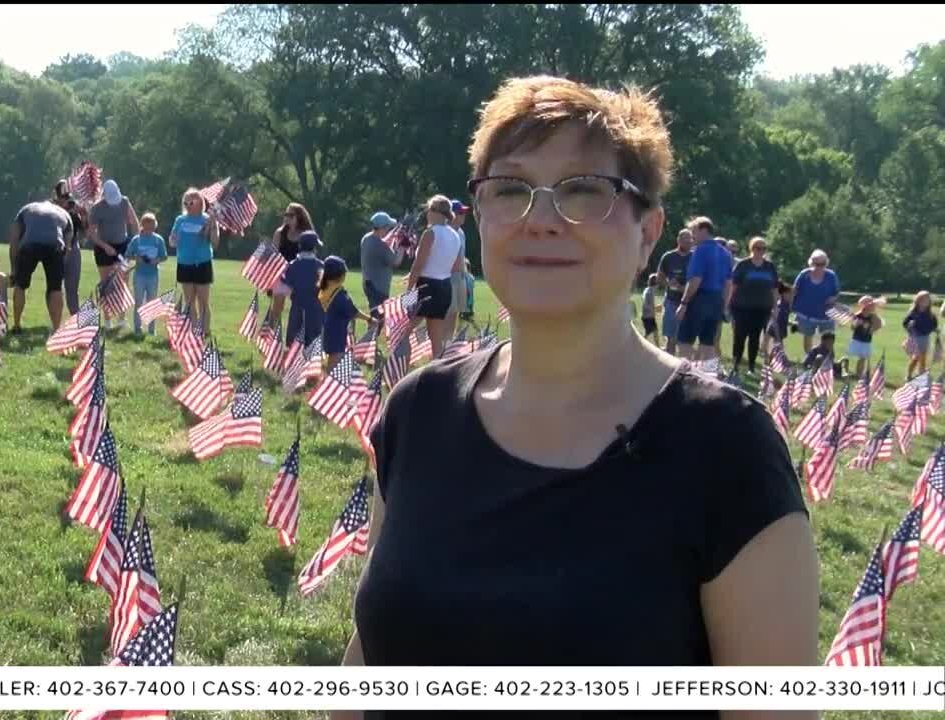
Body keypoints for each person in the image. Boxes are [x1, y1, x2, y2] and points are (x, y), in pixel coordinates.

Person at [338, 77, 817, 705]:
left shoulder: (727, 450)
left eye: (586, 190)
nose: (540, 219)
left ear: (649, 232)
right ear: (479, 217)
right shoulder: (418, 411)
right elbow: (370, 656)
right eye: (510, 189)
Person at [405, 195, 464, 359]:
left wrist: (408, 293)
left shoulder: (430, 233)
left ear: (435, 212)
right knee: (436, 339)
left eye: (429, 210)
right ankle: (438, 370)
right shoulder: (455, 235)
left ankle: (398, 371)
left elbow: (418, 265)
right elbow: (457, 266)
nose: (427, 214)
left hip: (426, 287)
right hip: (444, 287)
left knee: (403, 331)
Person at [10, 194, 73, 332]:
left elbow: (14, 240)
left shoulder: (25, 210)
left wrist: (14, 269)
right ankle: (56, 329)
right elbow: (68, 247)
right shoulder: (65, 214)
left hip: (29, 245)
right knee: (55, 288)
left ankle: (16, 325)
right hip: (55, 245)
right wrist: (60, 270)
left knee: (20, 285)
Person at [675, 216, 731, 363]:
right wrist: (723, 307)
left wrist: (684, 303)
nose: (691, 236)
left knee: (684, 342)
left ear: (703, 229)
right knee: (707, 344)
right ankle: (705, 378)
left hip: (700, 299)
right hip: (717, 302)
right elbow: (728, 284)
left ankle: (683, 377)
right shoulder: (726, 253)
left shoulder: (700, 250)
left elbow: (695, 280)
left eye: (693, 231)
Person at [168, 188, 219, 335]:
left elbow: (215, 243)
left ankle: (204, 330)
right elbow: (172, 239)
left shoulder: (207, 219)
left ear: (200, 203)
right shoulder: (180, 220)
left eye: (191, 202)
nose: (187, 205)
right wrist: (173, 240)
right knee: (189, 301)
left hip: (202, 263)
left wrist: (213, 227)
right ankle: (194, 331)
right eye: (185, 202)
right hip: (184, 263)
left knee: (203, 301)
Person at [89, 180, 139, 325]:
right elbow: (91, 233)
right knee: (106, 284)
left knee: (122, 282)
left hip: (122, 246)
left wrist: (135, 243)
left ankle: (122, 319)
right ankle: (108, 319)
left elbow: (134, 223)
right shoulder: (97, 208)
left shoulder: (124, 202)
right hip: (103, 248)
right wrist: (104, 246)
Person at [729, 236, 779, 374]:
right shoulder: (743, 265)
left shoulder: (770, 267)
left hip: (762, 308)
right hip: (742, 307)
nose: (761, 251)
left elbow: (774, 288)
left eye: (763, 248)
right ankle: (736, 365)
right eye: (758, 248)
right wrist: (728, 303)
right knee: (739, 337)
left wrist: (775, 306)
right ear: (751, 249)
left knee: (755, 338)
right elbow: (733, 286)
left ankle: (751, 366)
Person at [320, 255, 373, 371]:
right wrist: (369, 319)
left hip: (327, 330)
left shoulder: (325, 289)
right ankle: (330, 383)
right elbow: (353, 311)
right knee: (336, 360)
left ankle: (329, 379)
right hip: (336, 333)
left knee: (333, 358)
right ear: (340, 276)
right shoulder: (339, 295)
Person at [277, 231, 324, 346]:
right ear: (314, 248)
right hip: (316, 312)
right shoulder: (321, 266)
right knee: (314, 347)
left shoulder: (292, 266)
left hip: (297, 311)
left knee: (294, 346)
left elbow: (282, 291)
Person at [125, 213, 168, 335]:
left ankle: (151, 329)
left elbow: (164, 256)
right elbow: (128, 254)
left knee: (152, 302)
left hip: (153, 275)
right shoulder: (136, 240)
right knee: (138, 301)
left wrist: (157, 260)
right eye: (147, 227)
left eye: (152, 227)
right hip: (139, 275)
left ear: (155, 226)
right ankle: (137, 328)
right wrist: (136, 258)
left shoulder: (158, 240)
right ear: (142, 225)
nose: (149, 230)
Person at [791, 249, 840, 355]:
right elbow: (794, 290)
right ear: (811, 263)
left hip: (826, 314)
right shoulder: (804, 274)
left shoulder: (831, 276)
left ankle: (827, 362)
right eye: (817, 264)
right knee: (808, 337)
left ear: (826, 263)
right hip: (806, 314)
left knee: (828, 340)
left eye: (822, 264)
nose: (819, 267)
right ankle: (810, 358)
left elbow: (836, 293)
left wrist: (833, 298)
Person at [654, 228, 693, 354]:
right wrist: (668, 284)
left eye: (689, 240)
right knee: (670, 336)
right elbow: (660, 276)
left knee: (684, 339)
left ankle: (683, 368)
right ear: (678, 240)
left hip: (690, 303)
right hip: (671, 301)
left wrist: (685, 288)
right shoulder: (668, 256)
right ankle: (670, 366)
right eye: (685, 240)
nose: (687, 243)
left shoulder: (695, 257)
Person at [359, 211, 405, 312]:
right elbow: (396, 262)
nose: (389, 230)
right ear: (383, 227)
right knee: (378, 319)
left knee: (375, 316)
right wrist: (403, 246)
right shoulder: (380, 245)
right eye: (388, 227)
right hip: (378, 288)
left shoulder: (366, 238)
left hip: (368, 283)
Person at [446, 199, 471, 333]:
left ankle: (451, 341)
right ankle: (444, 340)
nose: (463, 215)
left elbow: (462, 255)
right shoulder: (446, 232)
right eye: (460, 212)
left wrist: (466, 276)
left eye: (464, 212)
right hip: (448, 276)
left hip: (460, 276)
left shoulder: (461, 232)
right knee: (448, 311)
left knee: (457, 312)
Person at [903, 291, 938, 380]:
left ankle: (921, 375)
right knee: (916, 358)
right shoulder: (913, 313)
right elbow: (905, 323)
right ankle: (909, 375)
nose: (925, 302)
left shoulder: (930, 314)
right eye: (923, 300)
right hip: (915, 338)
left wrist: (934, 329)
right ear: (918, 301)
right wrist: (909, 325)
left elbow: (934, 324)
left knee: (923, 358)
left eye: (927, 300)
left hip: (925, 338)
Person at [848, 295, 884, 379]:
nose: (873, 307)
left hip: (866, 340)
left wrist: (872, 329)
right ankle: (858, 373)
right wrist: (856, 324)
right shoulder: (858, 315)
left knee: (863, 357)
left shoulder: (873, 316)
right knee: (861, 357)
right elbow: (852, 327)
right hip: (857, 339)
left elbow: (879, 324)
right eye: (870, 306)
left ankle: (859, 373)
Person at [764, 282, 792, 360]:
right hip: (775, 327)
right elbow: (774, 318)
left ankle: (775, 357)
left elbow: (785, 317)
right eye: (789, 294)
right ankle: (770, 356)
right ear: (783, 294)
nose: (791, 296)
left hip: (782, 327)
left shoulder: (787, 305)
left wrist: (790, 323)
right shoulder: (780, 305)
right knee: (774, 343)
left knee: (778, 344)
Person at [640, 273, 660, 345]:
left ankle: (658, 346)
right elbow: (645, 304)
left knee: (655, 332)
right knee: (649, 333)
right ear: (656, 283)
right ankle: (640, 344)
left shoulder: (649, 290)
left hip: (649, 316)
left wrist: (655, 308)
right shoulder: (649, 292)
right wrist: (654, 309)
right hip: (647, 317)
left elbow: (648, 303)